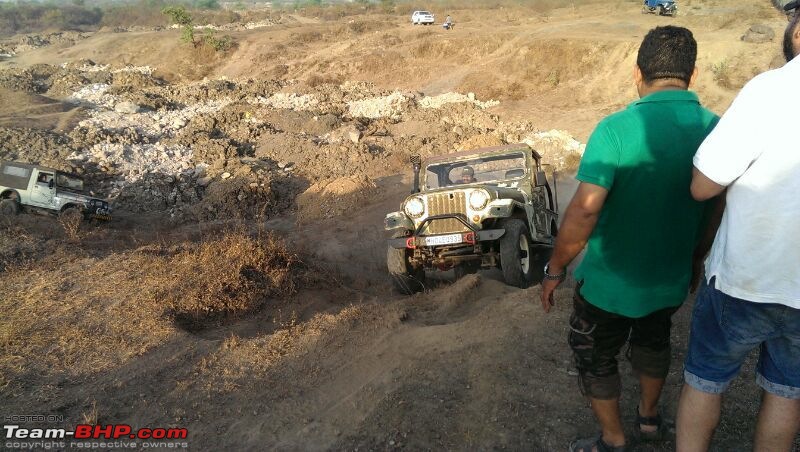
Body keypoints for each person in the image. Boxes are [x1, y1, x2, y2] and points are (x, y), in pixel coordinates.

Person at [538, 26, 719, 452]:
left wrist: (555, 268)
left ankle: (614, 439)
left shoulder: (616, 129)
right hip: (670, 280)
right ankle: (651, 419)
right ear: (692, 76)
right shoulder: (716, 129)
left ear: (637, 73)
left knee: (594, 354)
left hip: (608, 286)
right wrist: (696, 258)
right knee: (655, 340)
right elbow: (716, 208)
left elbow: (584, 210)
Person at [675, 5, 800, 451]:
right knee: (786, 392)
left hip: (746, 278)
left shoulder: (771, 90)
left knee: (706, 379)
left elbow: (704, 187)